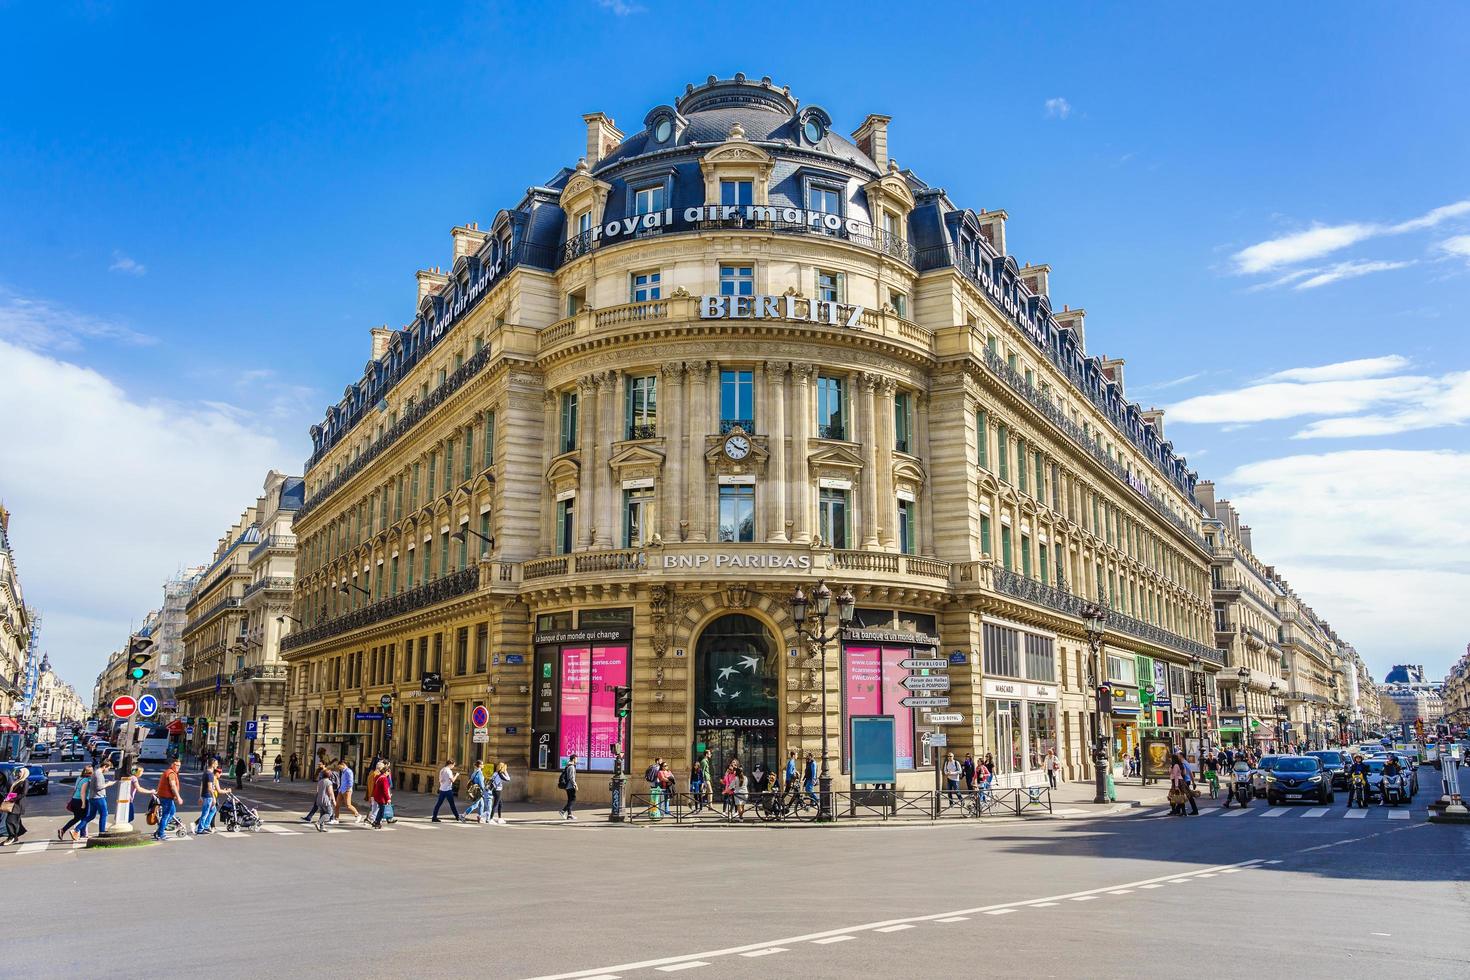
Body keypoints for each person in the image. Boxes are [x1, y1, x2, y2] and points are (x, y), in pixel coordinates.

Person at [81, 759, 114, 838]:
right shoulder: (98, 774)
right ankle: (102, 832)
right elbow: (99, 787)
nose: (108, 770)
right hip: (99, 797)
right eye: (108, 768)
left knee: (91, 816)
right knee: (104, 814)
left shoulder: (95, 772)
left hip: (93, 797)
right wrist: (108, 784)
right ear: (104, 766)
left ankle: (76, 829)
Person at [59, 766, 92, 841]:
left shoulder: (79, 778)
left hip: (75, 800)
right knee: (86, 817)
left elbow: (75, 789)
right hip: (81, 800)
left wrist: (71, 799)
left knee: (77, 818)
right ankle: (78, 832)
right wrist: (83, 803)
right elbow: (83, 793)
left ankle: (63, 830)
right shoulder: (86, 780)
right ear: (89, 773)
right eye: (91, 773)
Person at [153, 759, 181, 841]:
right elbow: (173, 786)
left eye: (179, 766)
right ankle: (161, 833)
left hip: (166, 797)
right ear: (172, 765)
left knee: (172, 813)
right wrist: (178, 797)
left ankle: (160, 830)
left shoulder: (169, 772)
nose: (178, 767)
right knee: (166, 815)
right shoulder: (171, 773)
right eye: (176, 765)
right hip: (166, 797)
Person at [197, 759, 227, 834]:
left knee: (213, 810)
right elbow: (210, 788)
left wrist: (200, 796)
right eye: (216, 764)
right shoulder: (210, 774)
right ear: (213, 764)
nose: (217, 765)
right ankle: (200, 829)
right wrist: (214, 798)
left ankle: (206, 826)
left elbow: (201, 786)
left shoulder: (205, 773)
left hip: (205, 795)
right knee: (205, 813)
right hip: (208, 796)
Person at [1, 767, 29, 846]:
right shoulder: (18, 781)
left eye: (20, 772)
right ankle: (14, 836)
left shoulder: (25, 781)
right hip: (13, 804)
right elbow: (13, 792)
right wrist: (8, 798)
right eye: (18, 772)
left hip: (18, 804)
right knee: (15, 821)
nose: (18, 773)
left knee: (9, 821)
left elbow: (23, 793)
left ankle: (12, 836)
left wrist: (13, 799)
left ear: (24, 773)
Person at [369, 763, 394, 829]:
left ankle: (376, 822)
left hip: (377, 796)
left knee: (380, 810)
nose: (389, 774)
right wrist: (388, 798)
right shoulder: (384, 778)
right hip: (381, 797)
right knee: (382, 811)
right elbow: (385, 790)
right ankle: (377, 823)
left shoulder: (378, 776)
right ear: (386, 771)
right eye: (389, 772)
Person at [335, 760, 361, 824]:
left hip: (347, 790)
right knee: (337, 805)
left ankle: (357, 815)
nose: (339, 768)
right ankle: (336, 819)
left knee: (348, 805)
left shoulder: (348, 771)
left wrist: (348, 789)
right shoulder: (343, 772)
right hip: (341, 790)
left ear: (343, 764)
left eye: (339, 766)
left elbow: (350, 781)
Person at [313, 765, 337, 832]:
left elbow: (317, 790)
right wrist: (334, 800)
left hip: (319, 800)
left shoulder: (320, 781)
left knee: (322, 813)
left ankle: (322, 827)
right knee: (329, 813)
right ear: (329, 775)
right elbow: (331, 792)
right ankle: (318, 822)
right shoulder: (329, 782)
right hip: (325, 800)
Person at [558, 754, 578, 820]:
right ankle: (563, 811)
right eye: (576, 759)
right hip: (570, 786)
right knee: (573, 799)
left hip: (567, 786)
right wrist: (575, 785)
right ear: (573, 759)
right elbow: (571, 777)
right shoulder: (571, 767)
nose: (577, 760)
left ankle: (569, 815)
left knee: (570, 800)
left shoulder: (568, 766)